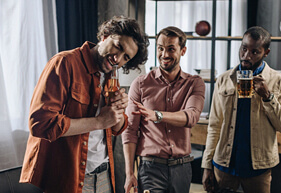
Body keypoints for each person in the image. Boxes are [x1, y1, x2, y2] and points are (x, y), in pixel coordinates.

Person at [19, 16, 149, 193]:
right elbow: (40, 124)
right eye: (118, 46)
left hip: (104, 176)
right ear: (105, 35)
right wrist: (99, 121)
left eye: (125, 57)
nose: (117, 58)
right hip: (70, 178)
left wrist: (118, 111)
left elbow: (117, 128)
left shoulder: (111, 75)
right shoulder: (64, 63)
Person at [201, 26, 281, 193]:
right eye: (244, 48)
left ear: (266, 52)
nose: (246, 56)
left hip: (258, 168)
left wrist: (268, 97)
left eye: (254, 52)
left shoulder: (279, 81)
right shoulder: (224, 79)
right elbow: (214, 126)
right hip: (224, 166)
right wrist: (207, 166)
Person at [122, 26, 205, 193]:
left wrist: (157, 115)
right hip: (150, 168)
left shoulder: (195, 83)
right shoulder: (140, 84)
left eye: (171, 49)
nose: (164, 54)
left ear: (183, 51)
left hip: (182, 168)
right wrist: (129, 173)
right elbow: (130, 130)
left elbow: (192, 116)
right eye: (160, 48)